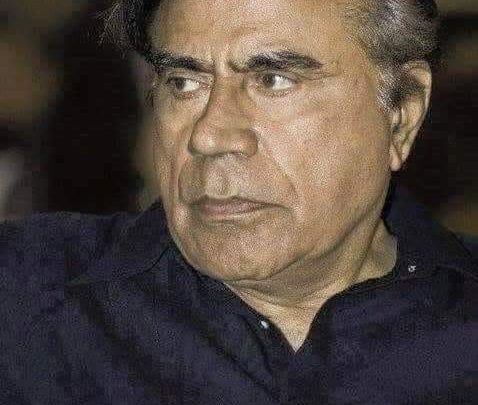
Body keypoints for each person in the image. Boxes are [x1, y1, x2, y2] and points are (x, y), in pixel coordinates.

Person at [1, 0, 477, 404]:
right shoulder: (23, 299)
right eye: (183, 82)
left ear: (402, 114)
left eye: (273, 79)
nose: (209, 134)